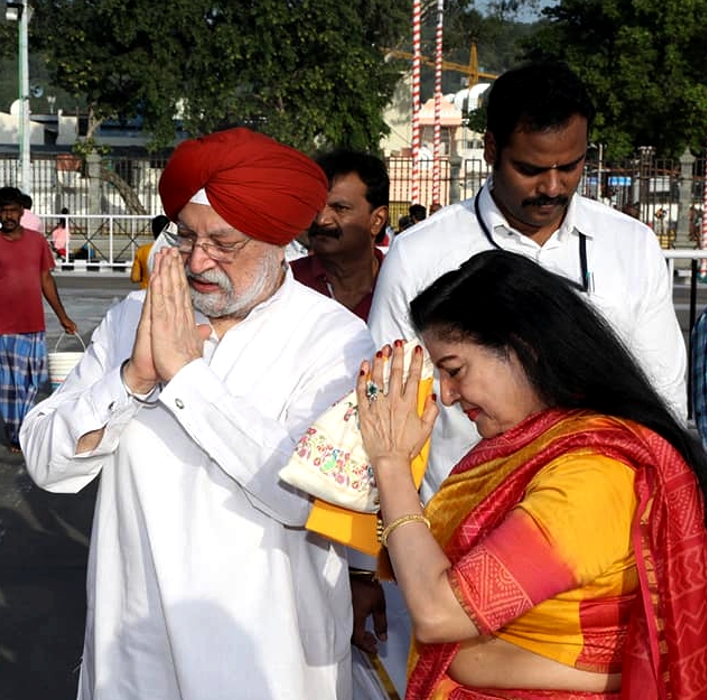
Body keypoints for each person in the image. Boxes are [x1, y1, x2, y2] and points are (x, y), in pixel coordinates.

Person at [19, 127, 376, 700]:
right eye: (185, 237)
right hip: (135, 648)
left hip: (270, 655)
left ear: (280, 241)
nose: (197, 260)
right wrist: (133, 379)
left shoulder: (334, 340)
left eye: (223, 244)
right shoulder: (135, 316)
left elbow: (307, 499)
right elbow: (47, 464)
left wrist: (186, 378)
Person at [355, 249, 707, 698]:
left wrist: (390, 464)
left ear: (522, 348)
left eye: (455, 370)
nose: (446, 395)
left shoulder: (592, 477)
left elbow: (440, 614)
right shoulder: (542, 446)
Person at [368, 59, 687, 501]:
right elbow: (388, 405)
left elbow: (662, 393)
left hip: (604, 523)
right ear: (492, 148)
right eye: (532, 170)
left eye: (571, 166)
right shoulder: (420, 255)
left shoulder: (630, 245)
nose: (553, 187)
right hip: (463, 528)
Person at [0, 185, 77, 453]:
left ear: (21, 212)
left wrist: (63, 317)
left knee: (34, 379)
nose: (8, 216)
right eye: (3, 211)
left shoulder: (37, 241)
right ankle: (16, 434)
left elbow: (46, 279)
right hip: (2, 325)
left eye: (13, 211)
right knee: (11, 382)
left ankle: (25, 425)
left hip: (34, 323)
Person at [291, 150, 389, 320]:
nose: (322, 220)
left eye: (340, 208)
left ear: (377, 221)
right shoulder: (286, 284)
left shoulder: (402, 284)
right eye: (315, 206)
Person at [130, 214, 168, 289]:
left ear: (153, 230)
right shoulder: (175, 250)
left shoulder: (142, 250)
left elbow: (135, 278)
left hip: (146, 293)